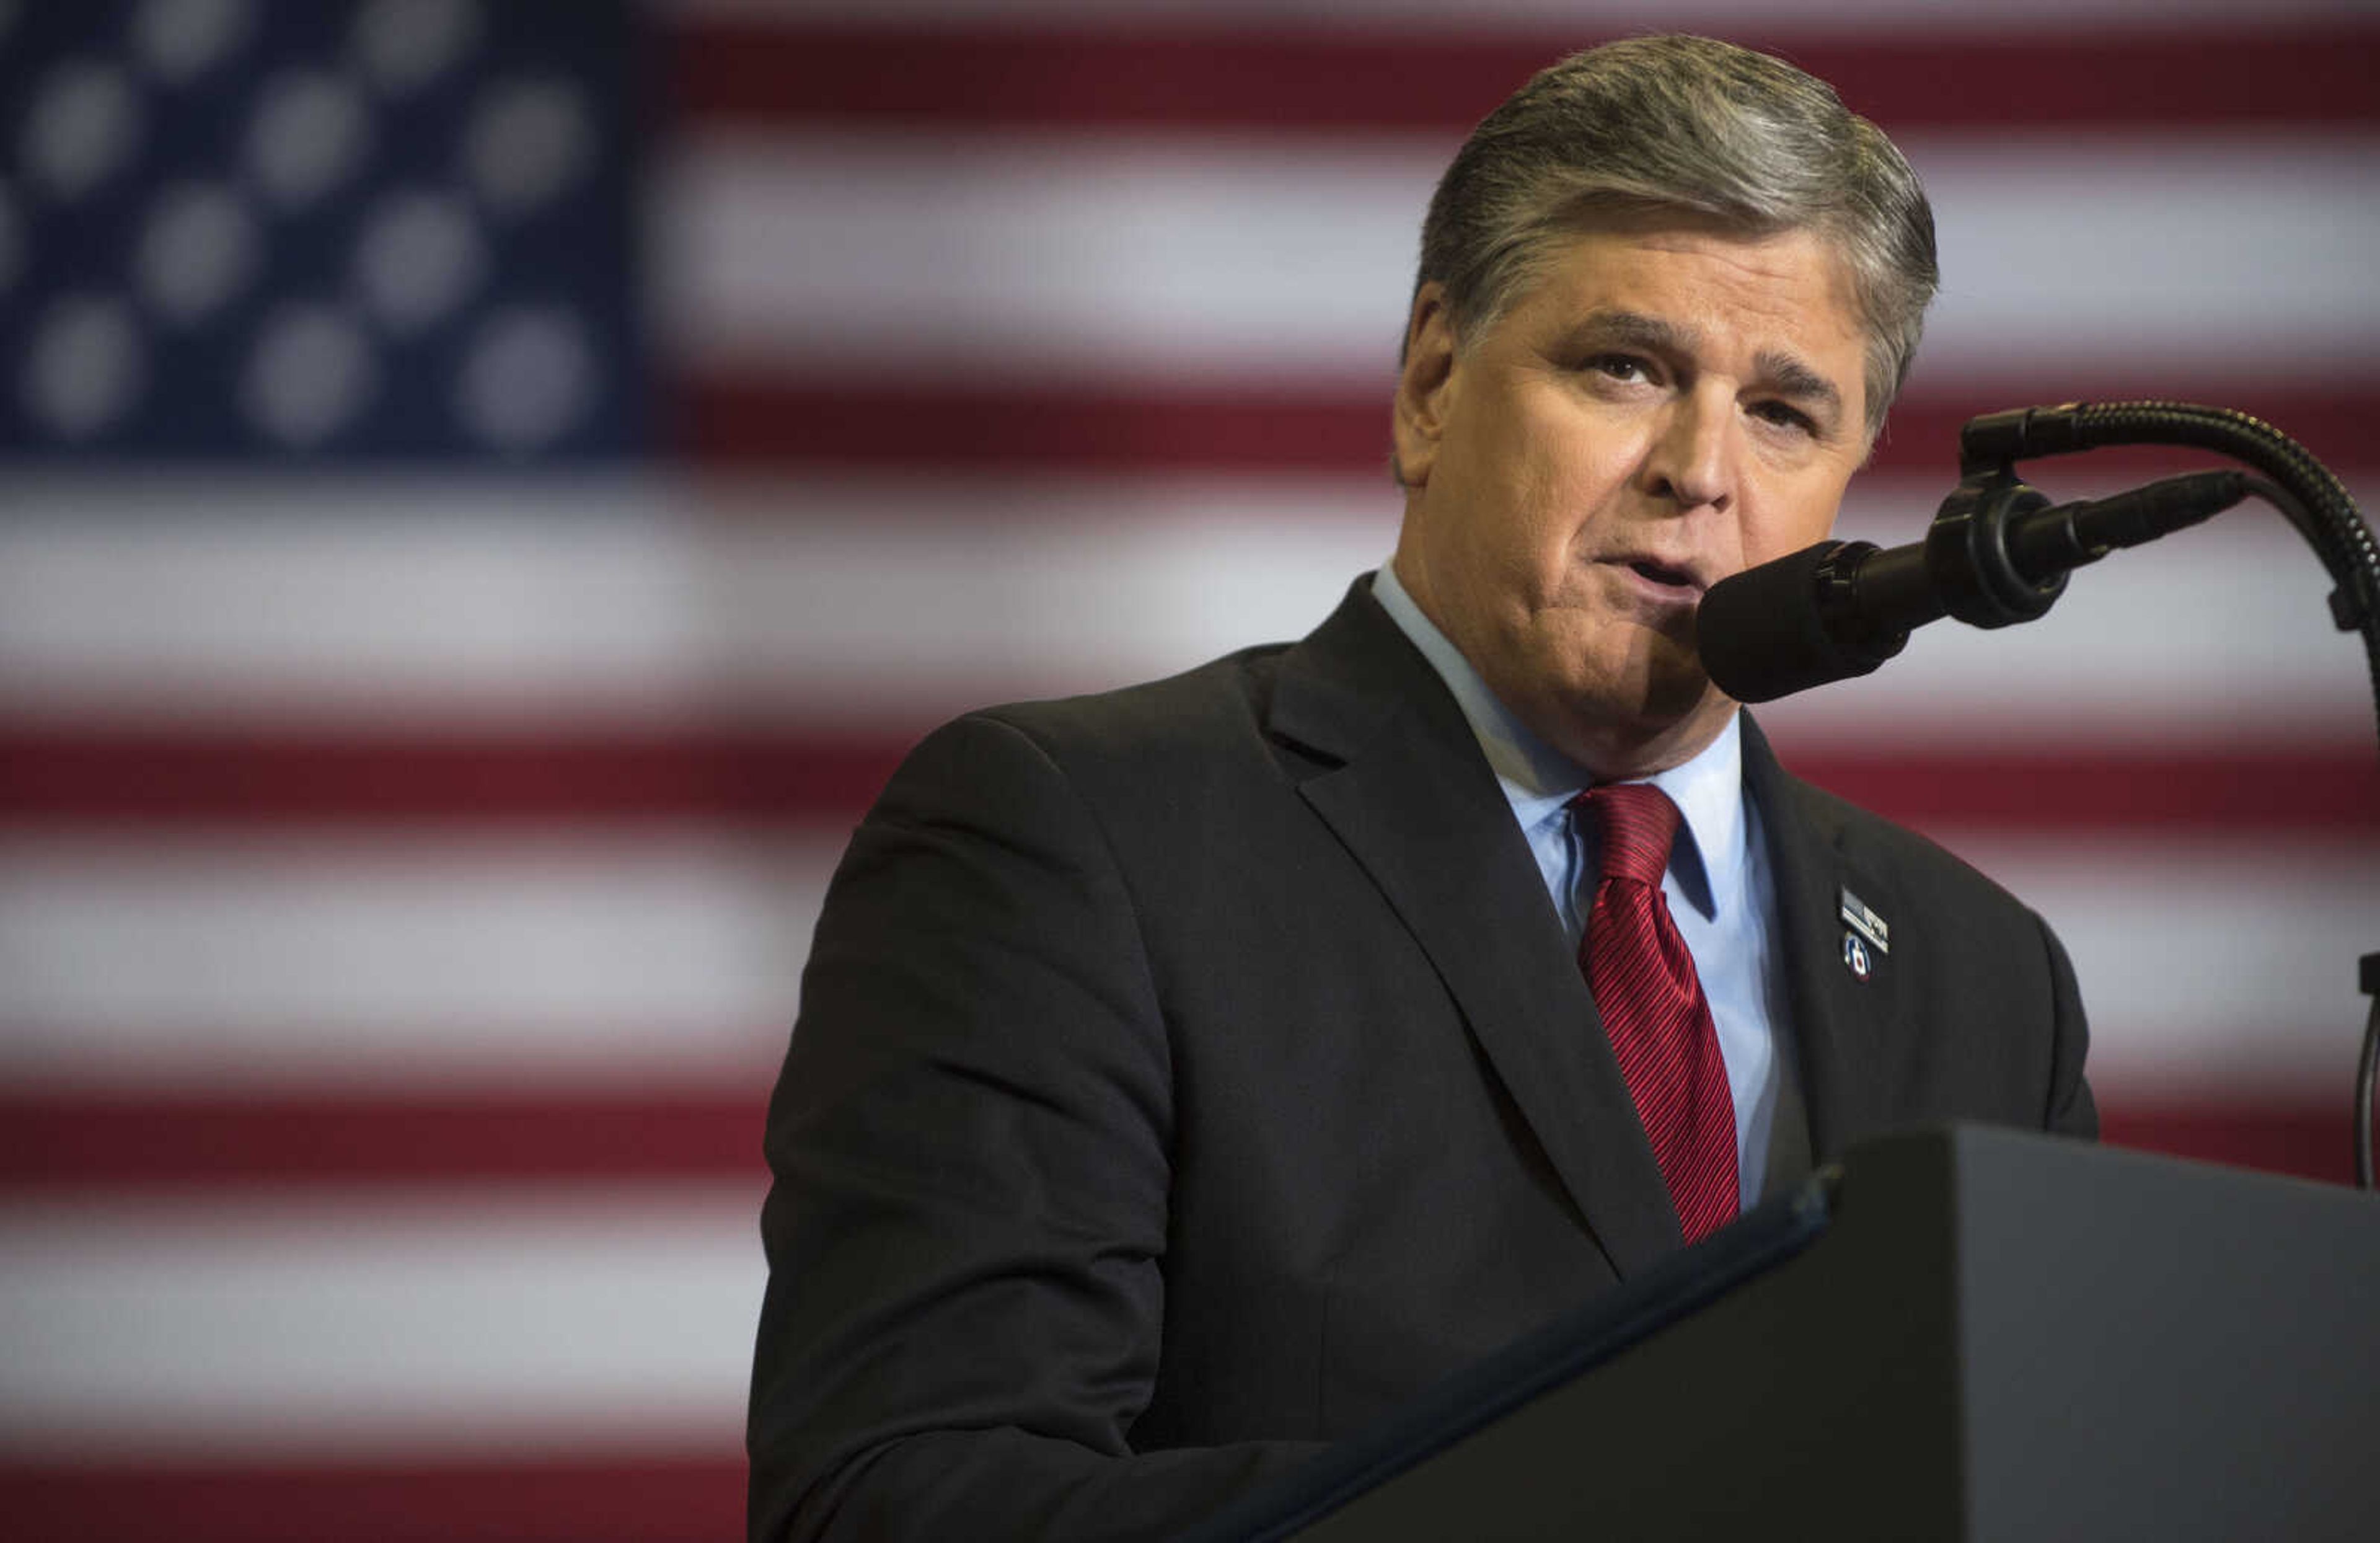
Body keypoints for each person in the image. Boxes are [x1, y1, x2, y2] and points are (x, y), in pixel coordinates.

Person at [747, 33, 2096, 1543]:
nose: (1700, 471)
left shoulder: (1988, 981)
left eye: (1785, 411)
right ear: (1433, 382)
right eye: (1625, 367)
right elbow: (902, 1501)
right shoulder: (1071, 841)